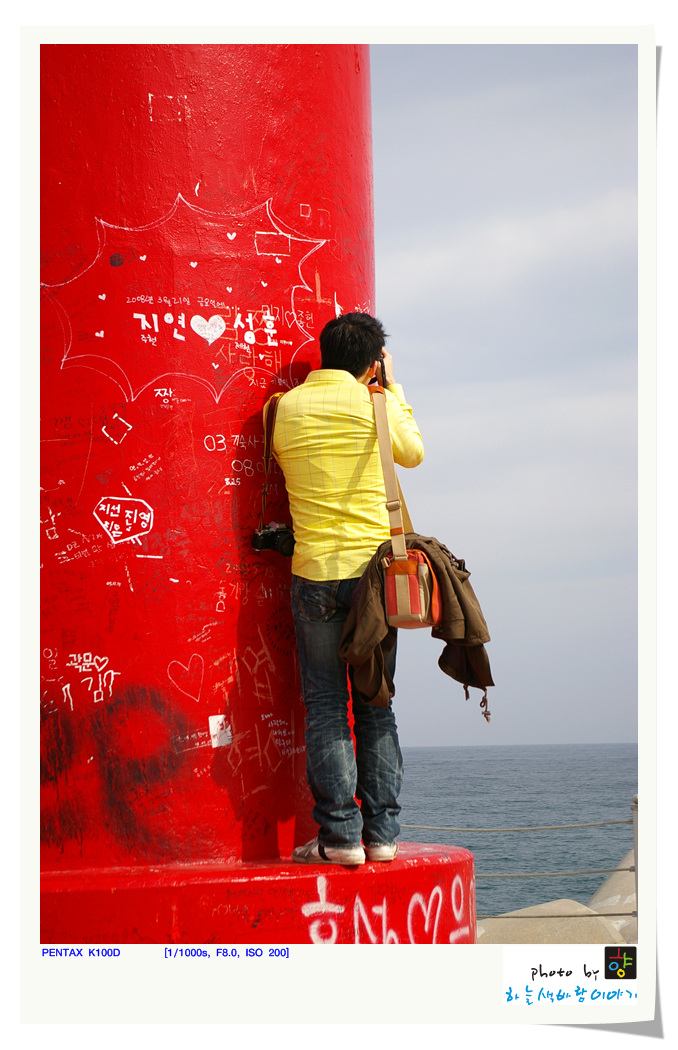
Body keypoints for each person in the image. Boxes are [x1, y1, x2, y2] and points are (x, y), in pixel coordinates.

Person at [268, 312, 424, 865]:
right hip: (374, 580)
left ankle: (339, 838)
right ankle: (382, 836)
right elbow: (413, 452)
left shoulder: (285, 407)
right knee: (376, 704)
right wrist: (392, 388)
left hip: (314, 571)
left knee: (327, 707)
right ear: (373, 362)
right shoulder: (374, 403)